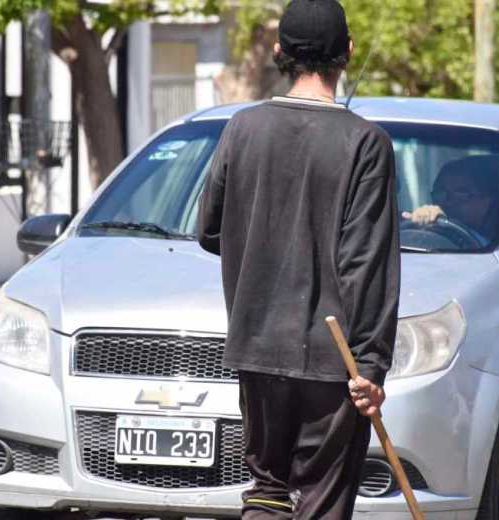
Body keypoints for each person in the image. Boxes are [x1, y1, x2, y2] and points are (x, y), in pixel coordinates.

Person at [196, 1, 400, 518]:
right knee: (321, 504)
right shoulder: (365, 143)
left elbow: (209, 229)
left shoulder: (242, 128)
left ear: (279, 52)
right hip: (332, 363)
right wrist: (371, 365)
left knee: (266, 494)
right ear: (347, 53)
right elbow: (365, 262)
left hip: (256, 348)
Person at [402, 154, 499, 247]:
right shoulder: (429, 231)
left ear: (487, 201)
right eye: (441, 193)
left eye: (462, 194)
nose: (448, 202)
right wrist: (421, 226)